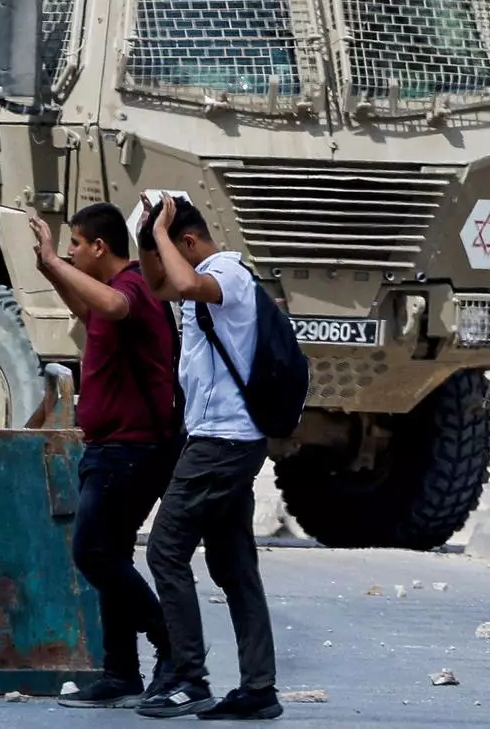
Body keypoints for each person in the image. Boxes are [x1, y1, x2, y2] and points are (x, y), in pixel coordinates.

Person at [132, 192, 283, 722]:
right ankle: (258, 689)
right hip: (221, 439)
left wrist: (159, 237)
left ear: (189, 242)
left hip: (223, 441)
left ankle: (188, 678)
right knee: (233, 562)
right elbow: (159, 283)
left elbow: (187, 282)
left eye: (171, 248)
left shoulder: (227, 273)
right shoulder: (197, 277)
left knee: (164, 551)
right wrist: (148, 233)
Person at [29, 203, 182, 708]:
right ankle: (120, 672)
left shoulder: (134, 288)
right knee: (109, 555)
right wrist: (52, 270)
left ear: (99, 246)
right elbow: (89, 309)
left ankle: (171, 643)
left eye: (76, 243)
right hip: (113, 447)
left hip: (132, 450)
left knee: (92, 552)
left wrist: (55, 262)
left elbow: (113, 307)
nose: (71, 250)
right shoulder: (117, 294)